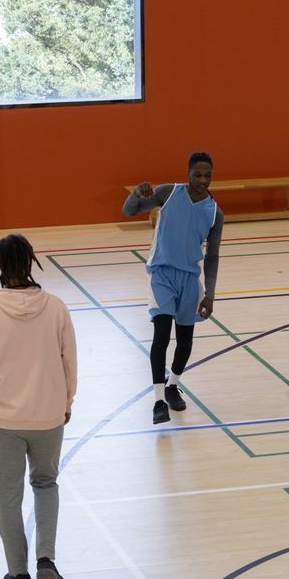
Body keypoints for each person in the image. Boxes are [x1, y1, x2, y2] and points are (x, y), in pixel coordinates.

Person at [0, 234, 77, 579]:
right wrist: (66, 403)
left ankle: (19, 575)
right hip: (48, 417)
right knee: (46, 484)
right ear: (30, 263)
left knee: (8, 498)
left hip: (4, 424)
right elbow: (69, 363)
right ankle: (46, 559)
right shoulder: (57, 308)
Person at [123, 151, 224, 424]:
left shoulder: (215, 212)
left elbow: (212, 256)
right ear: (187, 173)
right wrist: (135, 194)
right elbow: (129, 211)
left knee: (186, 340)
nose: (203, 180)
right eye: (198, 174)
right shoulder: (168, 193)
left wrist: (210, 295)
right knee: (161, 335)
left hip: (190, 280)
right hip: (162, 275)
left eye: (208, 176)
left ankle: (173, 384)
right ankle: (158, 400)